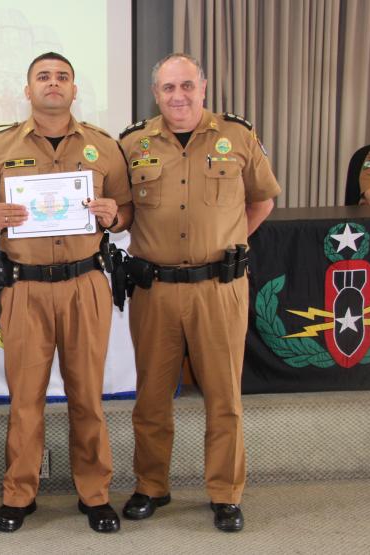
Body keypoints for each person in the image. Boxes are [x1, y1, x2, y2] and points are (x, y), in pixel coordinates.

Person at [0, 52, 133, 533]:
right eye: (44, 77)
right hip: (24, 289)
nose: (53, 84)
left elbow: (126, 212)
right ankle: (19, 494)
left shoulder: (103, 146)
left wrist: (111, 216)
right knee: (25, 399)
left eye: (62, 77)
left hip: (85, 285)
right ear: (28, 88)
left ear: (74, 90)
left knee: (87, 398)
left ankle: (95, 494)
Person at [117, 53, 280, 532]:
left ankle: (226, 492)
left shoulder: (238, 136)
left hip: (219, 287)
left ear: (203, 87)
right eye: (168, 88)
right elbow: (124, 211)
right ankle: (151, 485)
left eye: (187, 85)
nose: (178, 96)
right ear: (156, 94)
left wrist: (229, 243)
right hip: (155, 290)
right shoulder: (132, 143)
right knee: (151, 396)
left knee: (224, 395)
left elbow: (263, 200)